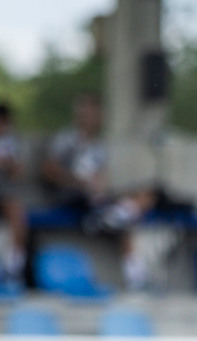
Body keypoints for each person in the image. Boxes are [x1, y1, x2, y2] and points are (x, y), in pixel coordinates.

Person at [38, 93, 158, 289]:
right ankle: (105, 218)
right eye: (85, 112)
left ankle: (135, 274)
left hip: (95, 199)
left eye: (93, 112)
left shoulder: (98, 145)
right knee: (122, 215)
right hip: (71, 196)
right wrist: (78, 181)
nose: (89, 117)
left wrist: (99, 185)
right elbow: (48, 171)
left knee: (142, 198)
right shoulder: (66, 139)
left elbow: (101, 177)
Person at [0, 102, 28, 287]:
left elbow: (18, 172)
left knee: (18, 214)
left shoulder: (13, 143)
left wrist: (9, 164)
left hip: (6, 194)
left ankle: (14, 270)